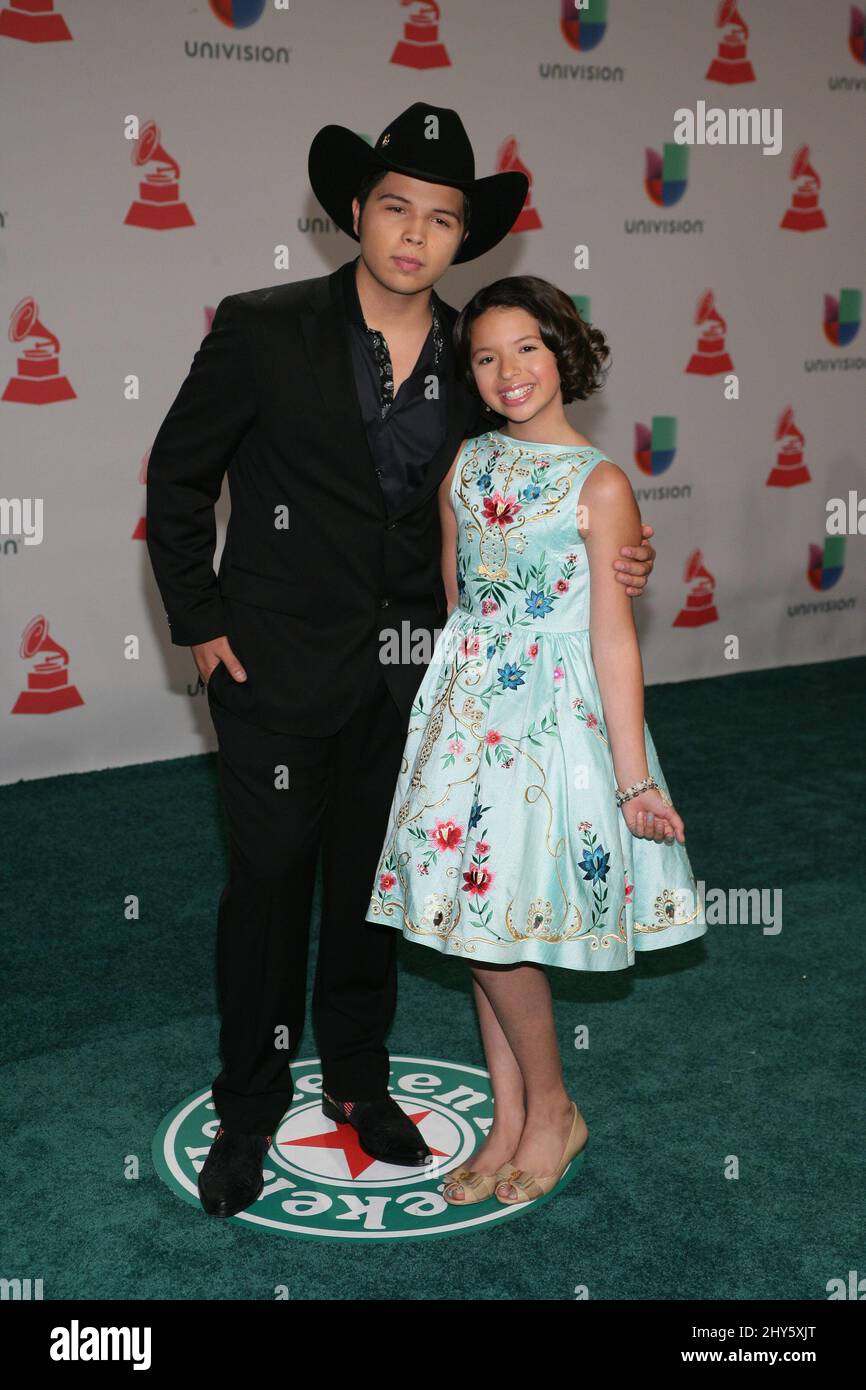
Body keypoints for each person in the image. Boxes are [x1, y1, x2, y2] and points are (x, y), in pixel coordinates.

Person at [146, 103, 659, 1220]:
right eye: (394, 209)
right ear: (353, 214)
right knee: (271, 887)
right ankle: (246, 1106)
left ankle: (358, 1081)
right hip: (269, 670)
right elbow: (177, 478)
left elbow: (535, 484)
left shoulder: (483, 349)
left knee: (381, 896)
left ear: (463, 237)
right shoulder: (260, 326)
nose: (414, 235)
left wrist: (615, 553)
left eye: (440, 218)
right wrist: (199, 620)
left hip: (423, 680)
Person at [365, 273, 706, 1206]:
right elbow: (456, 603)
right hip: (467, 713)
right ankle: (509, 1118)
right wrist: (453, 714)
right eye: (485, 356)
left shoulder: (601, 482)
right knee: (478, 919)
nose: (508, 370)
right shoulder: (465, 467)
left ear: (564, 352)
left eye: (526, 348)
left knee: (498, 929)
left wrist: (632, 781)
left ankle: (553, 1108)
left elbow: (611, 635)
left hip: (553, 726)